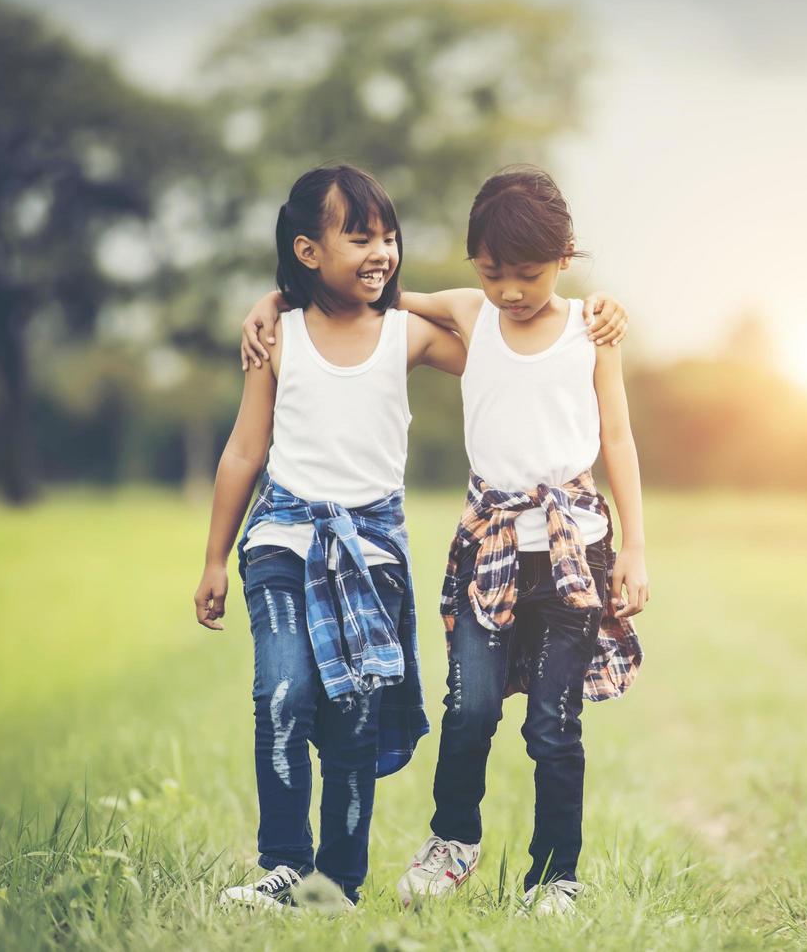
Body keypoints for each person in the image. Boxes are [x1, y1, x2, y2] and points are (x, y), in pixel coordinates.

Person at [194, 163, 465, 911]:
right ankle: (283, 861)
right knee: (281, 692)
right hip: (281, 536)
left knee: (352, 714)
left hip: (371, 550)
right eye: (360, 237)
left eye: (389, 236)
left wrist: (579, 319)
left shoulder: (403, 334)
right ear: (310, 250)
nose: (382, 251)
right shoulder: (277, 336)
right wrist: (215, 558)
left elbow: (493, 352)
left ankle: (335, 885)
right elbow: (245, 450)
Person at [392, 164, 648, 916]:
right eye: (492, 271)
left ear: (565, 256)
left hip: (575, 554)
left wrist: (634, 547)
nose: (509, 290)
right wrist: (281, 295)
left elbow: (620, 438)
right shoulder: (470, 314)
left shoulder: (590, 330)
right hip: (489, 549)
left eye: (528, 275)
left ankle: (554, 877)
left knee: (552, 726)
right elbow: (374, 297)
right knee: (469, 707)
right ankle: (454, 840)